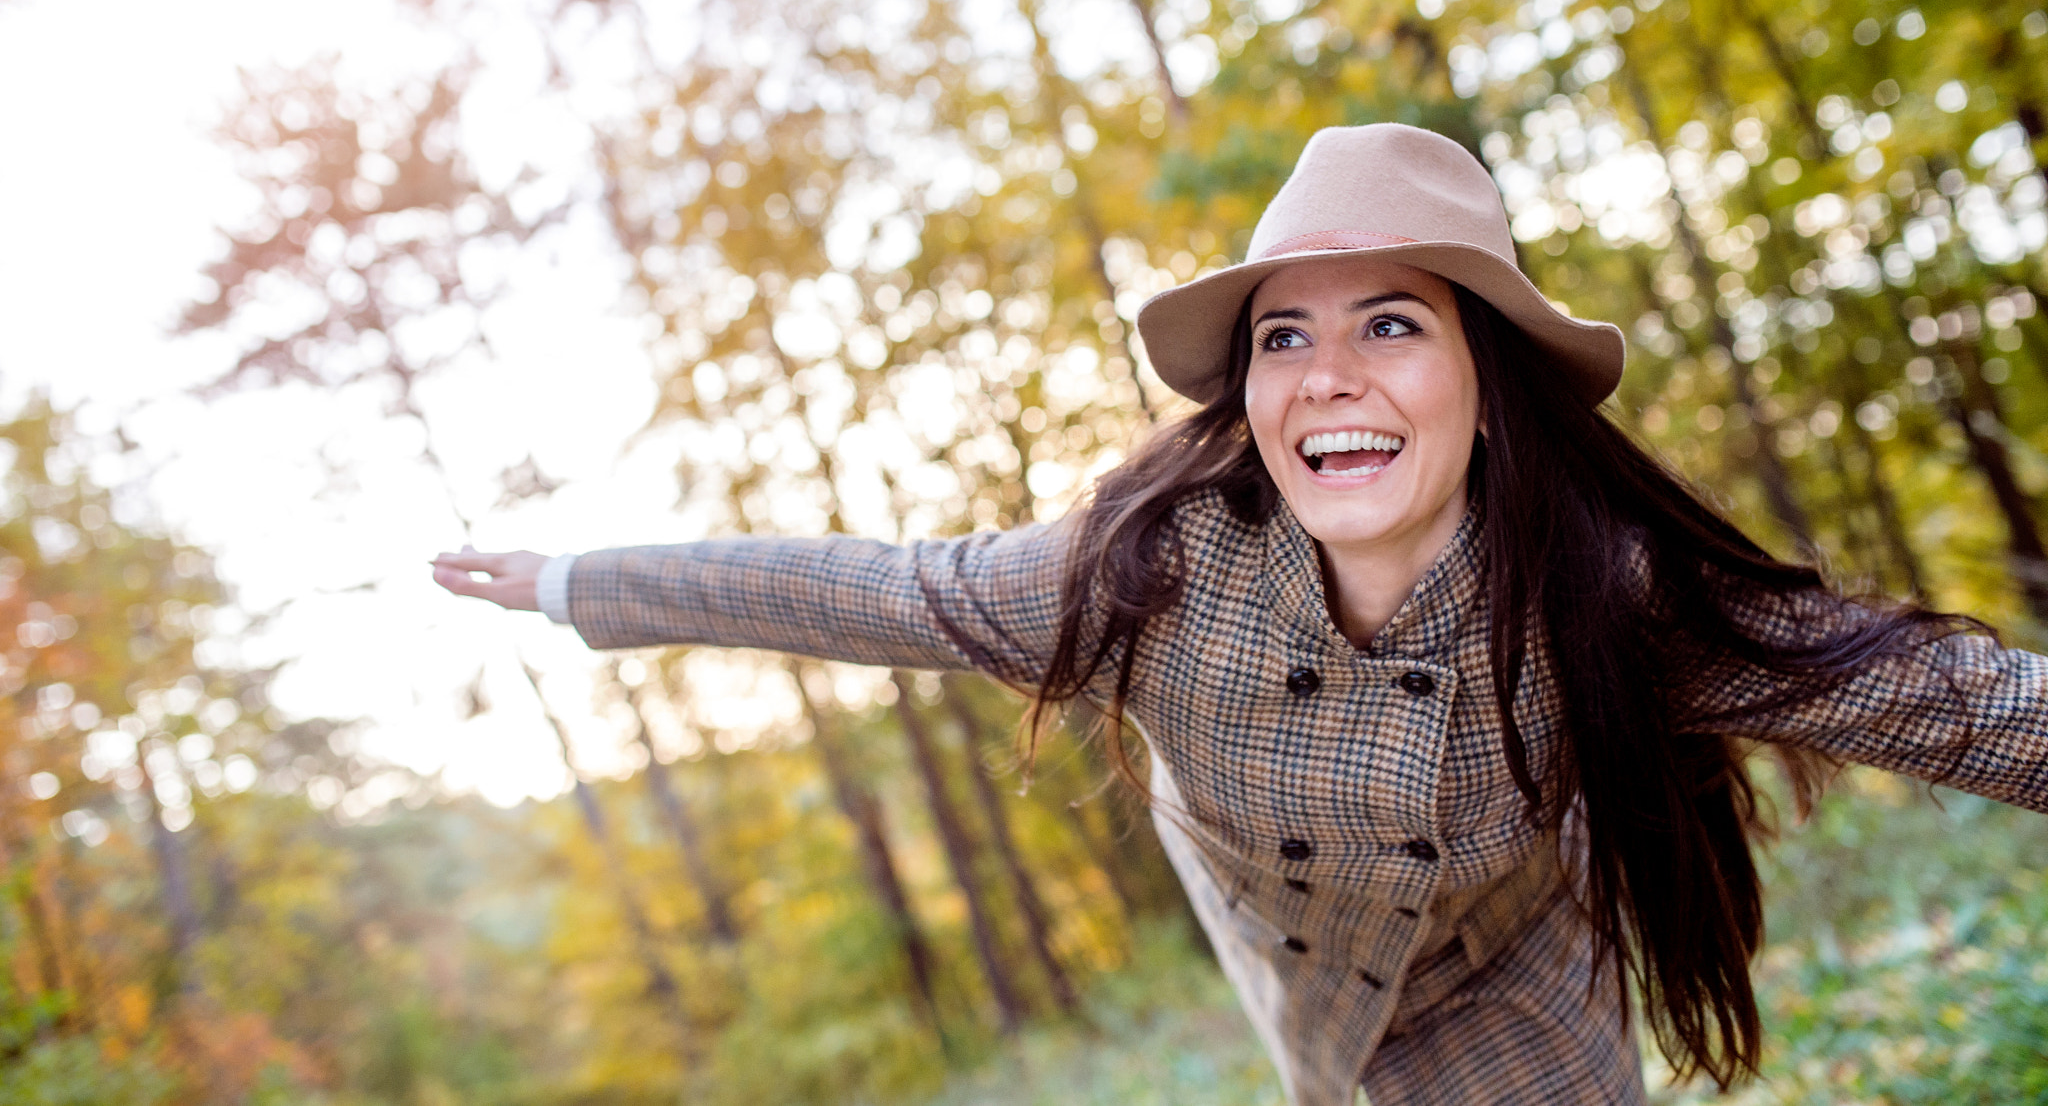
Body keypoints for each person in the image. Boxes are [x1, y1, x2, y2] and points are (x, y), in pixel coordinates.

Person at [433, 124, 2048, 1106]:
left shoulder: (1599, 603)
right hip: (1267, 923)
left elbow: (1953, 702)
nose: (1328, 373)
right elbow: (879, 588)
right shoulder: (1153, 575)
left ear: (1488, 383)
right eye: (1287, 336)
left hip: (1498, 971)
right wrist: (587, 582)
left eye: (1393, 324)